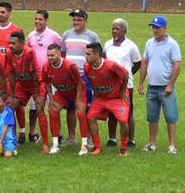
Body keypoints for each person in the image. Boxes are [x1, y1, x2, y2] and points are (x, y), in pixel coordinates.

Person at [138, 16, 181, 154]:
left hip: (165, 87)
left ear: (165, 28)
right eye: (153, 27)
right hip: (152, 86)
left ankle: (172, 145)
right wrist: (141, 82)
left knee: (170, 116)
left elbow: (176, 65)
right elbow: (144, 62)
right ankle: (152, 143)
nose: (155, 30)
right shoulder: (149, 43)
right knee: (152, 117)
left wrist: (170, 85)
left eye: (158, 27)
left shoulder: (172, 44)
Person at [61, 8, 100, 146]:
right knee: (71, 108)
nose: (76, 22)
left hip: (85, 77)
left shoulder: (92, 36)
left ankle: (88, 139)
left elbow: (98, 56)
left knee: (86, 107)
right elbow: (63, 54)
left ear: (85, 21)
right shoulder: (66, 34)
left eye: (79, 20)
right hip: (70, 78)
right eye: (74, 19)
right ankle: (71, 138)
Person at [6, 31, 49, 154]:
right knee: (10, 107)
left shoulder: (29, 52)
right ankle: (12, 142)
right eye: (9, 43)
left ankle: (45, 144)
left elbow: (35, 74)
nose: (10, 46)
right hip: (22, 85)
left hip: (36, 84)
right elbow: (11, 74)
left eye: (13, 43)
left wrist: (38, 95)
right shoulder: (9, 54)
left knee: (39, 108)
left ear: (21, 43)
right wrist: (12, 95)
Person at [42, 44, 89, 155]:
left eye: (52, 55)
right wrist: (52, 99)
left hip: (77, 91)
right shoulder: (46, 66)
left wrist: (78, 100)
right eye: (48, 55)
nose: (49, 58)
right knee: (52, 112)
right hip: (62, 93)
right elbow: (47, 83)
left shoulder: (69, 66)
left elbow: (79, 83)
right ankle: (55, 145)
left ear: (59, 54)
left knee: (81, 114)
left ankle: (84, 146)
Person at [84, 43, 130, 156]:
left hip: (117, 97)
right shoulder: (87, 67)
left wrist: (123, 92)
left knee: (123, 121)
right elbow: (92, 81)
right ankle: (97, 147)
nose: (86, 56)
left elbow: (125, 74)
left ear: (97, 55)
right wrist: (96, 95)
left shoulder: (110, 65)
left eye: (88, 54)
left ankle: (123, 148)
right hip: (102, 98)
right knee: (90, 116)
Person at [26, 10, 62, 144]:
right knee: (34, 106)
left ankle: (57, 133)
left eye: (40, 19)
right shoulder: (30, 36)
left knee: (53, 106)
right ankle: (32, 133)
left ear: (46, 20)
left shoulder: (54, 35)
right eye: (35, 19)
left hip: (51, 75)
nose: (37, 22)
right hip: (35, 76)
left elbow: (61, 50)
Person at [104, 18, 141, 148]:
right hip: (110, 85)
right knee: (111, 111)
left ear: (124, 31)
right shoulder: (108, 44)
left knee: (128, 111)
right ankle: (112, 138)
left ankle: (131, 139)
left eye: (117, 29)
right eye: (113, 28)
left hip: (126, 85)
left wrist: (127, 75)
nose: (114, 31)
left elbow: (137, 63)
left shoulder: (131, 46)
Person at [0, 91, 18, 158]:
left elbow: (5, 127)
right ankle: (0, 150)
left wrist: (1, 142)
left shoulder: (9, 112)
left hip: (8, 140)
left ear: (4, 103)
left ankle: (12, 148)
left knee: (7, 155)